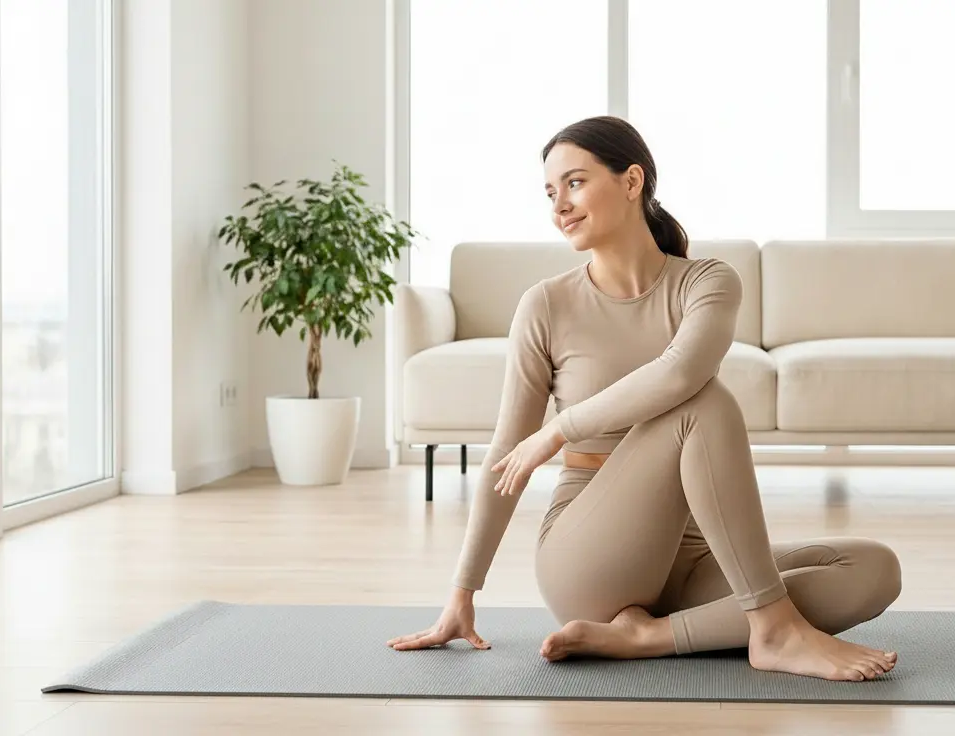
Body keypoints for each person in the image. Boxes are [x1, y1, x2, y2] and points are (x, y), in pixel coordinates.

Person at [387, 115, 903, 682]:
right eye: (550, 191)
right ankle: (773, 628)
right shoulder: (546, 305)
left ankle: (651, 635)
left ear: (632, 182)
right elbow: (505, 455)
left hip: (689, 560)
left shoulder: (706, 282)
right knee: (703, 405)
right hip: (589, 558)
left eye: (576, 183)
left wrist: (559, 429)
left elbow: (679, 371)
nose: (559, 204)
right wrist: (462, 593)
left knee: (873, 570)